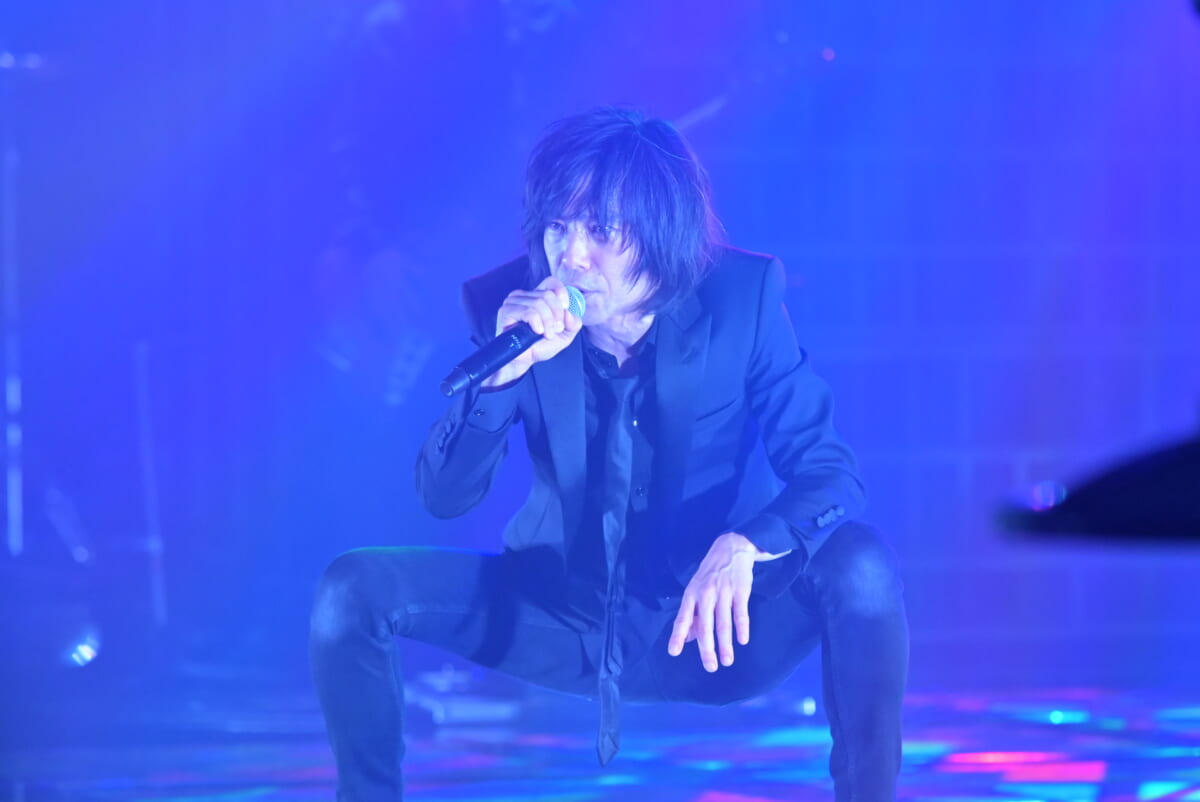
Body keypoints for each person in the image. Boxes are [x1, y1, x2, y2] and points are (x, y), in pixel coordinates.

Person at [310, 107, 909, 801]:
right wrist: (501, 379)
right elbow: (444, 497)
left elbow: (830, 474)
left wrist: (746, 544)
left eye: (599, 230)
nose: (571, 256)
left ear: (659, 231)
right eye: (557, 227)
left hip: (710, 623)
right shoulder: (507, 306)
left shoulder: (740, 300)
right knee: (353, 589)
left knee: (861, 563)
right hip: (561, 610)